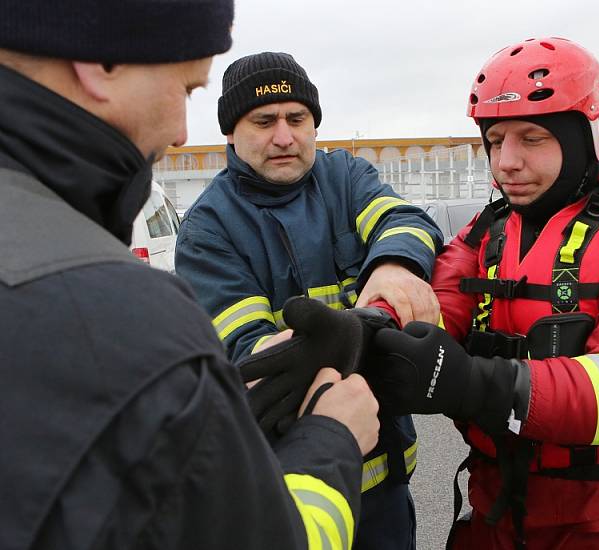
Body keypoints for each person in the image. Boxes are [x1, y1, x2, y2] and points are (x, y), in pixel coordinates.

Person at [0, 3, 381, 549]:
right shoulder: (131, 320)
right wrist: (331, 439)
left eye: (297, 119)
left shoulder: (346, 176)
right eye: (185, 88)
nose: (181, 133)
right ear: (101, 60)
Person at [365, 37, 599, 549]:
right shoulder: (491, 229)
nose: (505, 162)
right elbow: (437, 307)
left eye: (531, 138)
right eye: (495, 140)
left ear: (584, 139)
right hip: (497, 505)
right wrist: (369, 329)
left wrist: (474, 383)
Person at [175, 52, 443, 549]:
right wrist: (368, 328)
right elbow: (254, 359)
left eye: (297, 118)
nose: (284, 136)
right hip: (291, 485)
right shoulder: (207, 230)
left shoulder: (346, 176)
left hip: (384, 488)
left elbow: (406, 220)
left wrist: (393, 266)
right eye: (263, 121)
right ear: (230, 133)